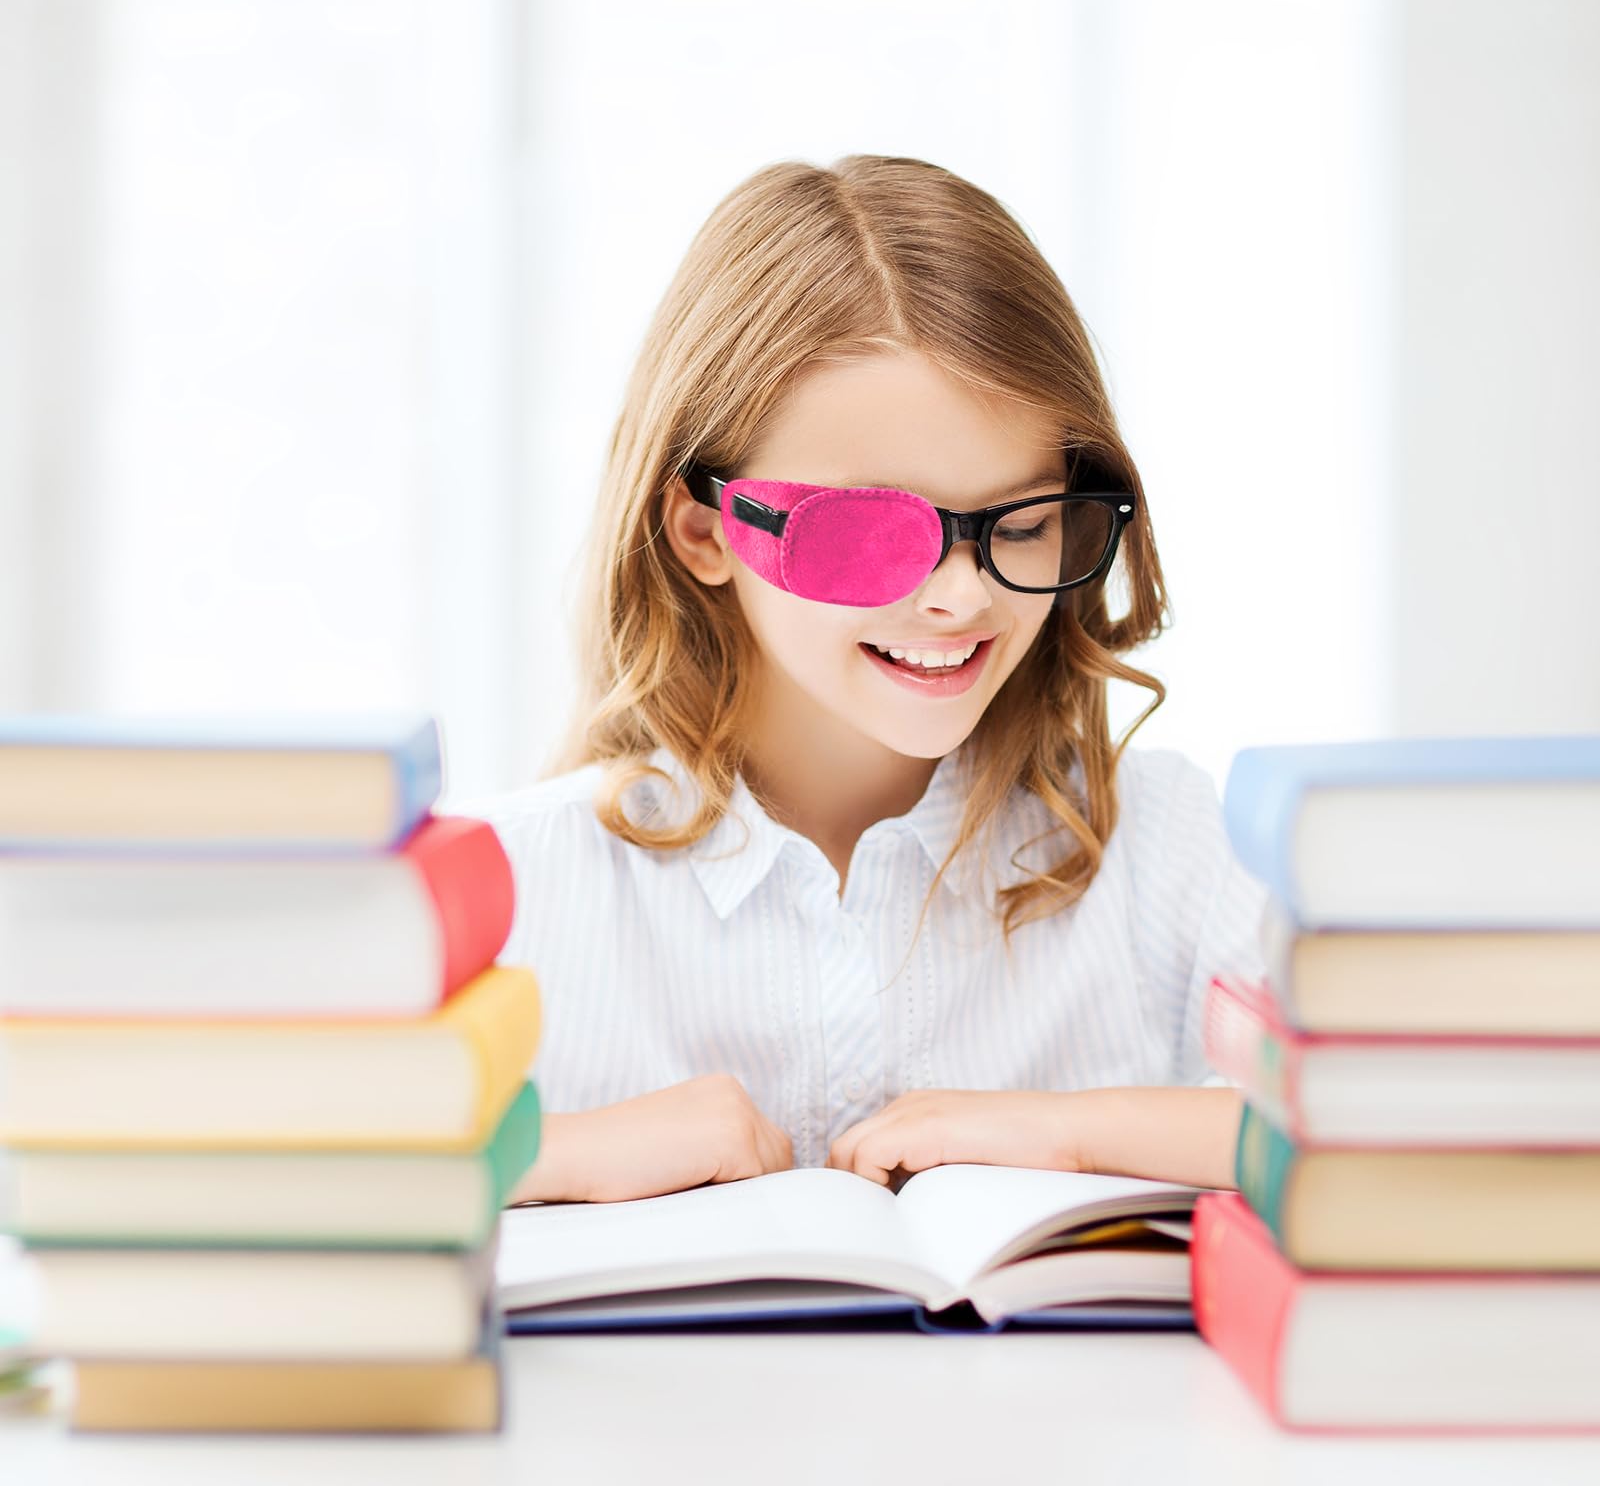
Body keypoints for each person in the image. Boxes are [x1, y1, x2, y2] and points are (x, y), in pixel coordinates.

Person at [473, 154, 1269, 1205]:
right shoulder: (519, 888)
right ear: (706, 529)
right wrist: (548, 1155)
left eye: (1022, 525)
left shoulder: (1159, 847)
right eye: (874, 534)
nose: (962, 599)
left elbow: (1405, 1129)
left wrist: (1072, 1133)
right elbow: (252, 1181)